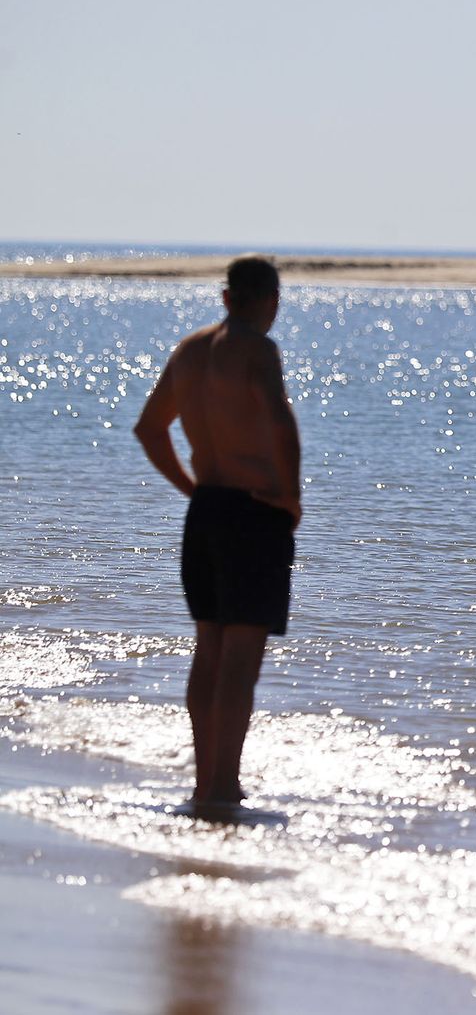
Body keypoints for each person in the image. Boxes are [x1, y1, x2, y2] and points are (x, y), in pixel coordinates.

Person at [133, 255, 301, 815]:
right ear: (271, 300)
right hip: (254, 514)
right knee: (240, 655)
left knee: (209, 647)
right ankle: (223, 790)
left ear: (226, 297)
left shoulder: (189, 351)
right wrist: (291, 497)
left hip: (206, 512)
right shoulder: (258, 349)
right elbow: (279, 422)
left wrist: (191, 489)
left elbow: (150, 428)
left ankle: (204, 786)